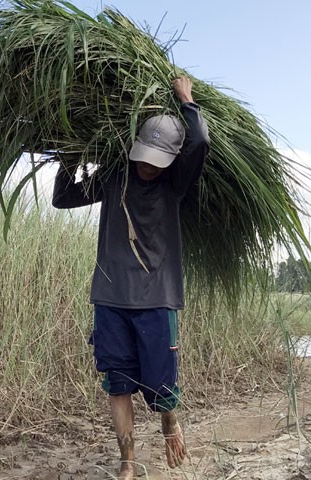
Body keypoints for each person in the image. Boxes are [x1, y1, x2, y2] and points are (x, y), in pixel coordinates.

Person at [52, 76, 210, 477]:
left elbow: (201, 143)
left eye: (158, 160)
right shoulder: (114, 176)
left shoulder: (174, 184)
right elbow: (62, 198)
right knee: (117, 385)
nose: (148, 166)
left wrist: (186, 99)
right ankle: (128, 462)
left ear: (172, 159)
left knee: (161, 387)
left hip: (158, 299)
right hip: (111, 297)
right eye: (144, 156)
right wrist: (69, 156)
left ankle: (169, 422)